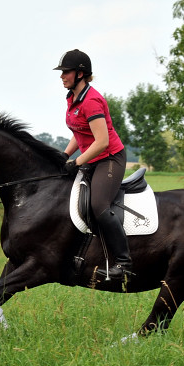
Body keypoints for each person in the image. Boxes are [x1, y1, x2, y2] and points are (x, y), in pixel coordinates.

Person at [54, 49, 132, 280]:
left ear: (80, 74)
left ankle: (124, 263)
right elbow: (80, 132)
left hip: (109, 159)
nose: (62, 76)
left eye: (65, 72)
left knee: (99, 205)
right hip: (91, 158)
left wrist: (75, 161)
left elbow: (102, 142)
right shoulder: (72, 98)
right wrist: (64, 154)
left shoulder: (92, 101)